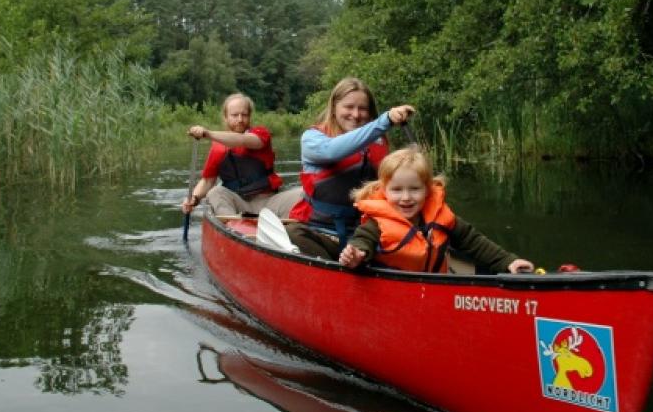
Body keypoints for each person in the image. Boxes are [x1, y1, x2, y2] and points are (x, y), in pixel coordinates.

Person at [339, 147, 534, 274]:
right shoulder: (377, 224)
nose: (406, 197)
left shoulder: (442, 217)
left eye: (414, 189)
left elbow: (473, 241)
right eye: (397, 190)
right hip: (393, 292)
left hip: (434, 291)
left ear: (427, 189)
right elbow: (362, 241)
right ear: (384, 191)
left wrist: (509, 262)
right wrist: (356, 256)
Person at [286, 77, 415, 259]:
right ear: (335, 107)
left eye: (362, 108)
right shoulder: (312, 138)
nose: (355, 114)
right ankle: (335, 268)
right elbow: (331, 151)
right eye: (349, 107)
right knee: (292, 234)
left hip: (365, 235)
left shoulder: (378, 142)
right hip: (320, 231)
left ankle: (357, 260)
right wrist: (384, 121)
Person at [182, 93, 302, 218]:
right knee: (215, 192)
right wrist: (194, 199)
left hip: (269, 202)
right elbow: (207, 181)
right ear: (226, 117)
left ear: (249, 116)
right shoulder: (217, 148)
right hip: (238, 204)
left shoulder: (261, 134)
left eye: (244, 115)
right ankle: (232, 226)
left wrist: (208, 133)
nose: (240, 119)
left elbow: (242, 140)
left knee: (304, 193)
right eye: (234, 115)